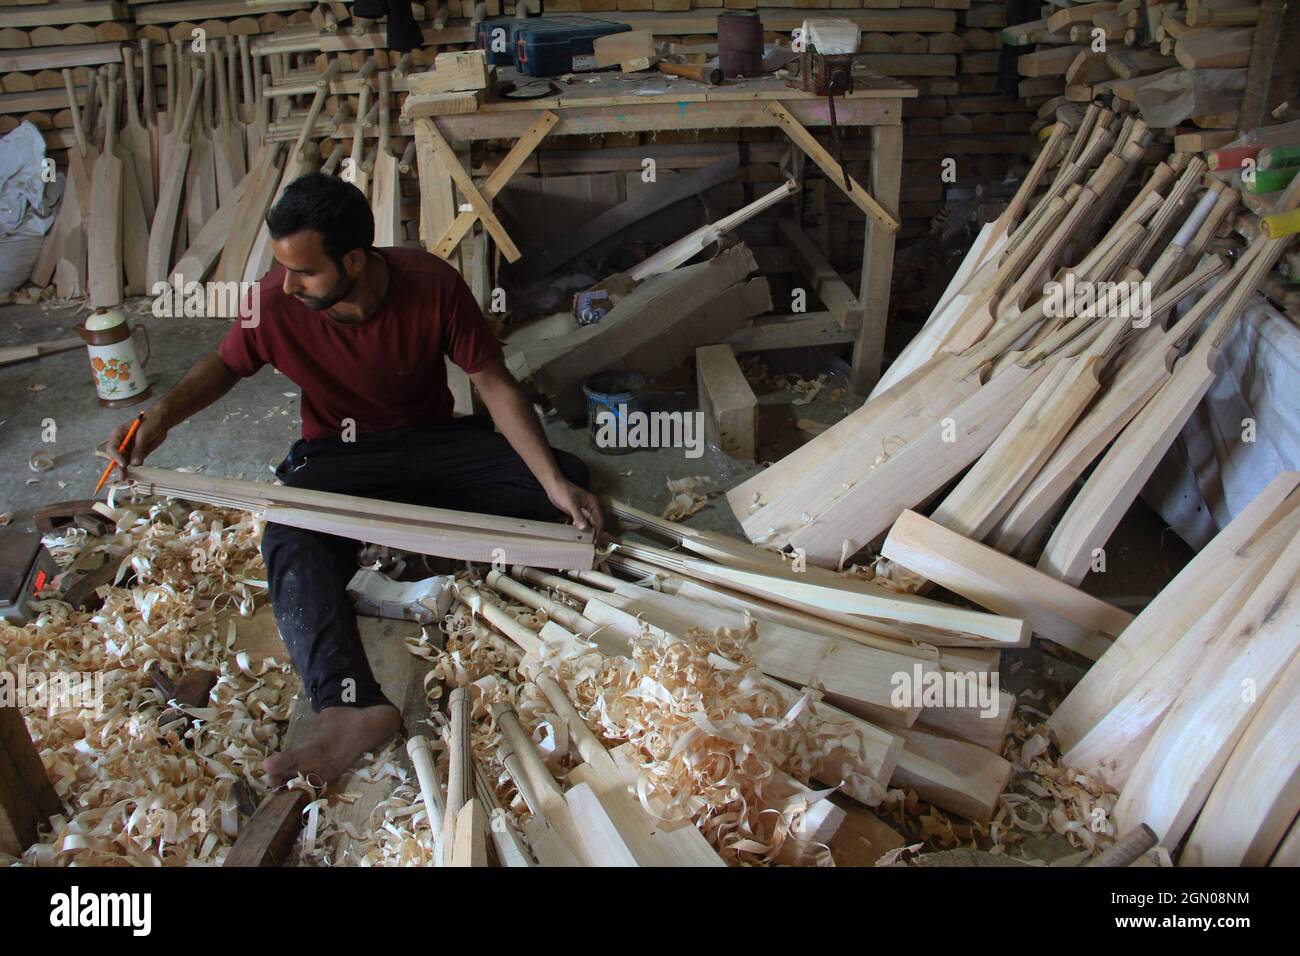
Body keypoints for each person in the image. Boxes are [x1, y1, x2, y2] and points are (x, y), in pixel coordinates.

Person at [101, 172, 603, 786]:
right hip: (338, 457)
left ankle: (407, 541)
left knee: (565, 479)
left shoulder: (430, 284)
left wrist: (551, 481)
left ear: (355, 258)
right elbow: (225, 363)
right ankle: (350, 705)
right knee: (291, 535)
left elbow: (493, 383)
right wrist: (162, 415)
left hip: (430, 444)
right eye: (285, 269)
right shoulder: (274, 301)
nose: (289, 284)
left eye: (305, 271)